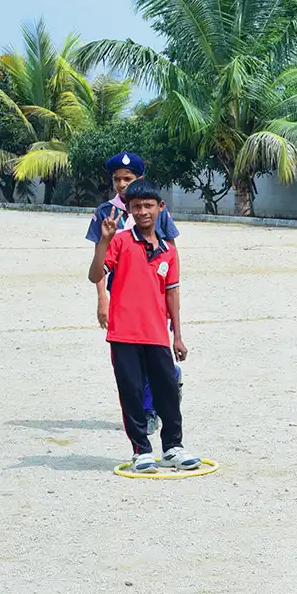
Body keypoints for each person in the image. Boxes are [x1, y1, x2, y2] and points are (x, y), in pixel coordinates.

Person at [87, 178, 200, 472]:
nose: (143, 212)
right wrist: (104, 241)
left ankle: (173, 446)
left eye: (149, 206)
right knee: (132, 392)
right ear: (129, 210)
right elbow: (95, 274)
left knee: (167, 390)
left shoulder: (168, 251)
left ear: (161, 208)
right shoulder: (120, 242)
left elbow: (172, 294)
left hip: (157, 334)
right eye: (136, 207)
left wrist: (178, 336)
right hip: (124, 333)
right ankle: (141, 450)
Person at [86, 151, 183, 437]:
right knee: (132, 366)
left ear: (139, 178)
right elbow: (98, 263)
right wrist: (102, 298)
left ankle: (154, 410)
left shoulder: (155, 208)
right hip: (122, 294)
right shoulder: (106, 212)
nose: (122, 184)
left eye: (128, 179)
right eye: (117, 179)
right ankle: (144, 414)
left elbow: (171, 249)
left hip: (154, 293)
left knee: (157, 356)